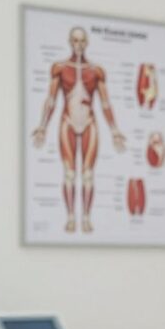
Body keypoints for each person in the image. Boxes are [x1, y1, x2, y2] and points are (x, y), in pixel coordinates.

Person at [31, 26, 126, 234]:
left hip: (90, 122)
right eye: (75, 40)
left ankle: (85, 217)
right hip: (68, 121)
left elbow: (105, 103)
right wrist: (42, 126)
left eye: (82, 41)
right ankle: (71, 217)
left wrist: (115, 130)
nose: (79, 44)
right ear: (70, 42)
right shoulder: (60, 68)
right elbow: (51, 99)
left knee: (89, 174)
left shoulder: (96, 71)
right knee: (70, 174)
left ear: (87, 43)